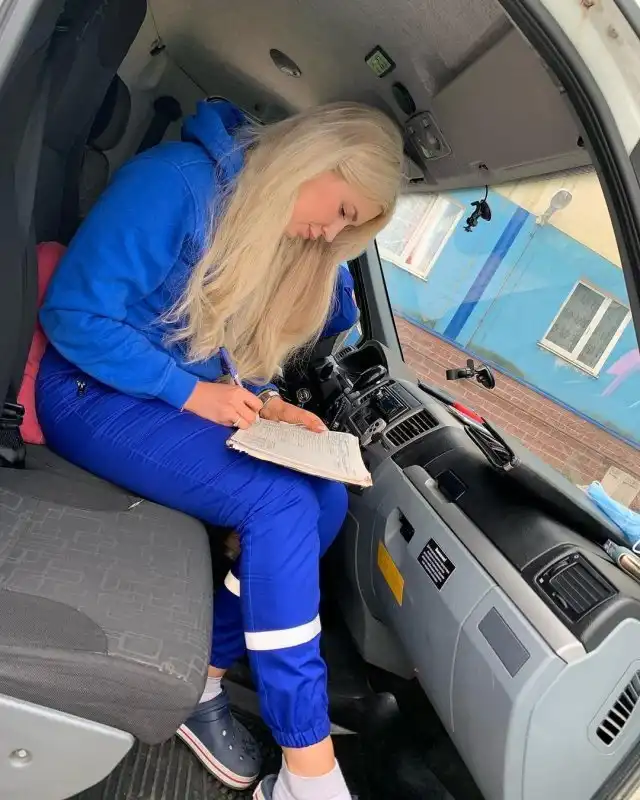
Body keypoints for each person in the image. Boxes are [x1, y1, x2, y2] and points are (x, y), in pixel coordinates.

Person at [36, 98, 403, 800]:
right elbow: (74, 313)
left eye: (348, 229)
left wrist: (268, 403)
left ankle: (202, 679)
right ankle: (309, 767)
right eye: (342, 211)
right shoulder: (173, 182)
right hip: (87, 390)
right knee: (278, 502)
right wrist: (189, 395)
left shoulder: (262, 226)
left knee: (324, 500)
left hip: (162, 398)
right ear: (315, 159)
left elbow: (215, 346)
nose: (330, 233)